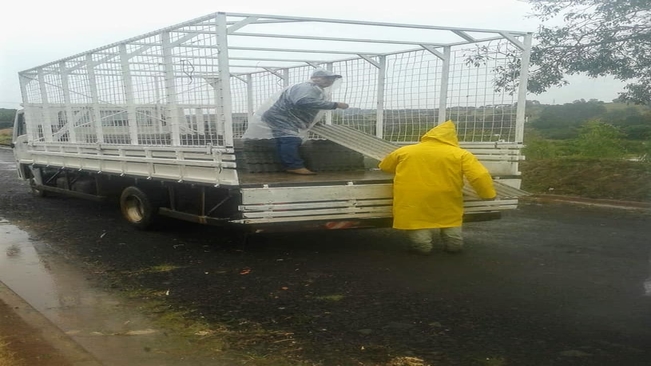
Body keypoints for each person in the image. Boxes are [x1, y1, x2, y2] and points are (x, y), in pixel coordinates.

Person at [378, 121, 497, 255]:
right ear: (452, 137)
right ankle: (454, 245)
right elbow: (480, 175)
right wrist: (488, 194)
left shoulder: (405, 151)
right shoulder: (461, 154)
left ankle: (422, 247)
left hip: (413, 195)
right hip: (447, 195)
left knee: (416, 221)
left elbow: (385, 166)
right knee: (449, 219)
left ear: (429, 135)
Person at [261, 69, 349, 175]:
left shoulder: (315, 89)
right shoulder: (307, 87)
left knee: (284, 139)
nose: (329, 81)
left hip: (282, 117)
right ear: (314, 78)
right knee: (290, 139)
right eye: (325, 78)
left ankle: (290, 165)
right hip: (281, 117)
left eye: (331, 79)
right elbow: (303, 101)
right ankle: (294, 166)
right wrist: (335, 104)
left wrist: (311, 122)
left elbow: (306, 110)